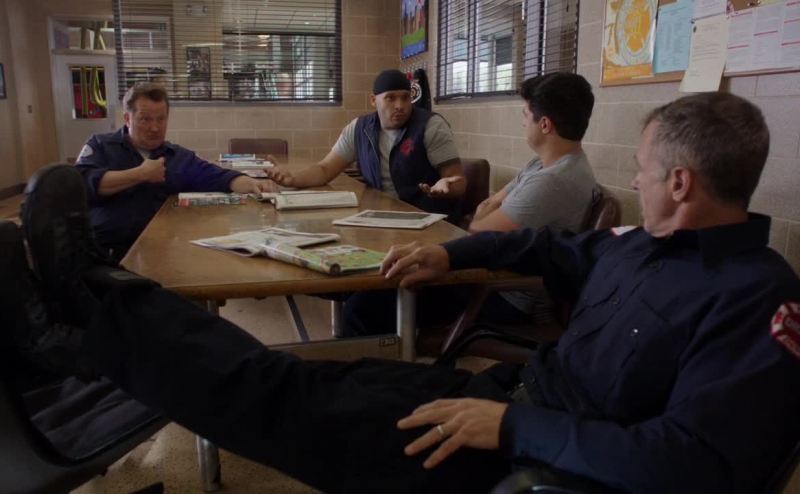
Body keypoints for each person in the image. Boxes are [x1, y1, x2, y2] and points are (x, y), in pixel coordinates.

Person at [6, 91, 800, 493]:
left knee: (272, 400)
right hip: (499, 398)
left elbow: (696, 468)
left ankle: (84, 316)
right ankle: (88, 315)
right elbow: (540, 246)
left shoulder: (756, 303)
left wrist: (514, 427)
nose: (634, 180)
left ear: (681, 183)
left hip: (527, 450)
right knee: (293, 372)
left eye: (645, 169)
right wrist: (447, 255)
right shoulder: (642, 244)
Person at [342, 72, 597, 335]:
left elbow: (479, 229)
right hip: (485, 272)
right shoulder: (544, 165)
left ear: (544, 125)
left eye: (525, 115)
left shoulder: (552, 181)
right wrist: (487, 211)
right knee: (371, 293)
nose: (523, 123)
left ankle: (381, 359)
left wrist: (485, 213)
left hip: (501, 294)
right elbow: (489, 207)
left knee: (364, 307)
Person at [74, 82, 270, 260]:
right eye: (145, 119)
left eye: (161, 119)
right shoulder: (100, 145)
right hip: (107, 253)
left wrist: (252, 183)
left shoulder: (176, 156)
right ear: (127, 118)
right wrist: (140, 174)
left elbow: (218, 177)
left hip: (163, 250)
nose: (155, 128)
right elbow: (80, 186)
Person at [265, 69, 466, 223]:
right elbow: (325, 170)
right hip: (382, 216)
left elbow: (458, 181)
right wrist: (292, 179)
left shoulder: (430, 126)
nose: (400, 105)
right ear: (373, 100)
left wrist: (447, 185)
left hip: (427, 217)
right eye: (391, 98)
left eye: (405, 98)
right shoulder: (359, 129)